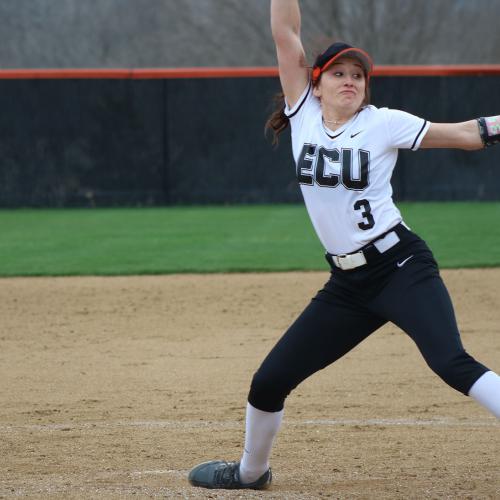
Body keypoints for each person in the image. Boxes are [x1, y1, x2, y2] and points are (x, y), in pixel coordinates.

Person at [188, 0, 500, 491]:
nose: (350, 80)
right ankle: (250, 473)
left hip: (401, 266)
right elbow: (285, 32)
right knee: (268, 382)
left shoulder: (382, 122)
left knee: (450, 362)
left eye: (358, 74)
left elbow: (463, 134)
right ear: (316, 82)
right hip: (348, 284)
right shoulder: (303, 114)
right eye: (339, 73)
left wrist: (496, 126)